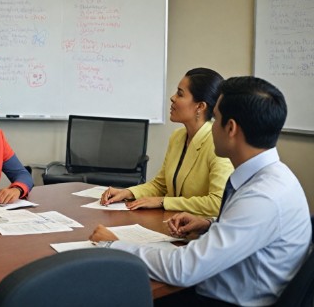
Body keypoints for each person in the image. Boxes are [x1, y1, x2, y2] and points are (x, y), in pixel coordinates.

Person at [89, 76, 312, 306]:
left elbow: (183, 269)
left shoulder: (263, 196)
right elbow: (247, 228)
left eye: (216, 119)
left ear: (231, 128)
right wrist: (210, 224)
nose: (211, 126)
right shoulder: (272, 177)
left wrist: (113, 246)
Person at [101, 68, 234, 217]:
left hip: (200, 232)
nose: (172, 98)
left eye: (180, 94)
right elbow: (161, 185)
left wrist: (164, 202)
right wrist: (128, 192)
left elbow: (218, 202)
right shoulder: (178, 137)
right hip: (172, 223)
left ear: (200, 106)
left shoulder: (216, 143)